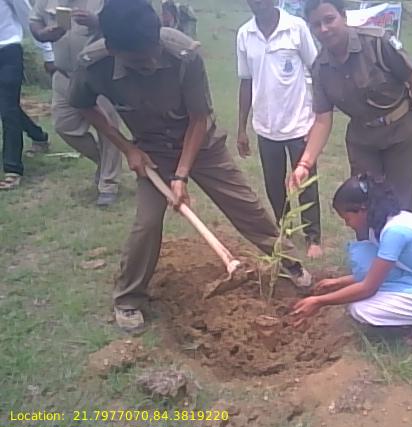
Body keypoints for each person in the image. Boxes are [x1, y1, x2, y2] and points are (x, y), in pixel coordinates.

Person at [68, 0, 311, 332]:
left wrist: (181, 174)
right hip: (152, 151)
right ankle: (128, 298)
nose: (150, 63)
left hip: (202, 145)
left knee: (245, 205)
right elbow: (83, 106)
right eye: (139, 61)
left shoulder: (184, 54)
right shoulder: (92, 65)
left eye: (153, 53)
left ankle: (289, 263)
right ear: (113, 50)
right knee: (146, 224)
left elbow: (199, 118)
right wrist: (128, 149)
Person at [293, 175, 412, 347]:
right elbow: (382, 271)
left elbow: (368, 287)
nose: (346, 224)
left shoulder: (394, 232)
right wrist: (339, 282)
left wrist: (319, 301)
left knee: (361, 308)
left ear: (362, 210)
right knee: (365, 285)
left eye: (347, 218)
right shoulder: (383, 224)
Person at [288, 0, 412, 214]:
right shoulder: (320, 68)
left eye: (329, 20)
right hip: (362, 141)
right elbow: (322, 120)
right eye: (316, 25)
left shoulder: (377, 42)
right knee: (365, 206)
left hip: (399, 132)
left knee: (400, 207)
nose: (324, 29)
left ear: (343, 16)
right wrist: (304, 164)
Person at [237, 0, 323, 258]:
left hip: (299, 123)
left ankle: (313, 238)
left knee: (305, 182)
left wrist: (319, 115)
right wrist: (241, 128)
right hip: (266, 125)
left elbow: (316, 69)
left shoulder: (296, 28)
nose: (258, 3)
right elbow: (245, 82)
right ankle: (284, 230)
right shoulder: (245, 34)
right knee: (274, 184)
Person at [30, 0, 123, 206]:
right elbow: (34, 21)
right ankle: (104, 162)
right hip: (64, 74)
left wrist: (98, 22)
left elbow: (127, 24)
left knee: (107, 128)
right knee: (64, 125)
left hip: (99, 72)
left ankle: (108, 184)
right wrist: (43, 34)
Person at [0, 0, 53, 190]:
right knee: (7, 106)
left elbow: (29, 20)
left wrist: (48, 54)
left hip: (8, 51)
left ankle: (12, 169)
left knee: (8, 109)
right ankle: (38, 136)